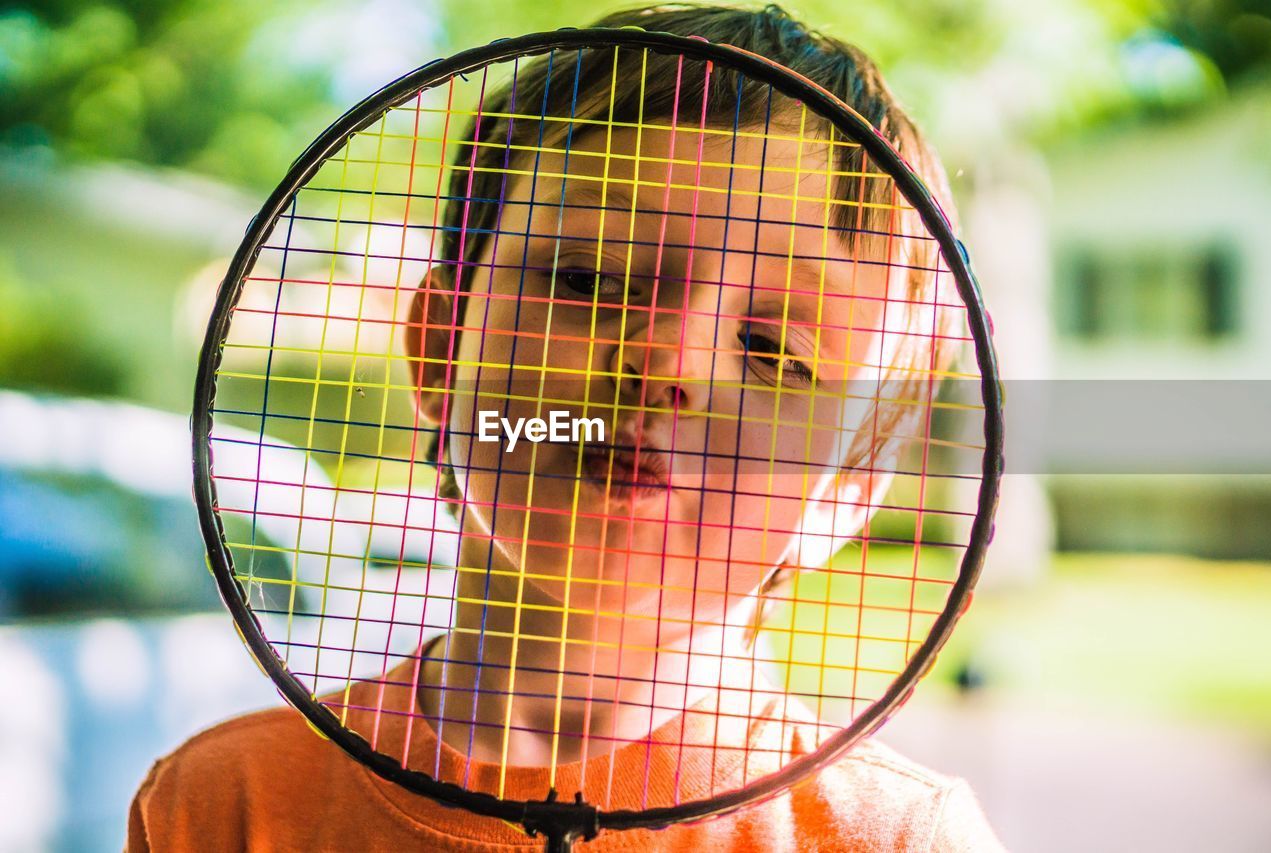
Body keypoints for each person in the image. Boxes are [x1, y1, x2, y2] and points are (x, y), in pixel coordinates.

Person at [129, 5, 1005, 850]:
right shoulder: (223, 806)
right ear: (440, 348)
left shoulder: (895, 842)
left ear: (850, 485)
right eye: (589, 279)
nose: (669, 364)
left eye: (774, 348)